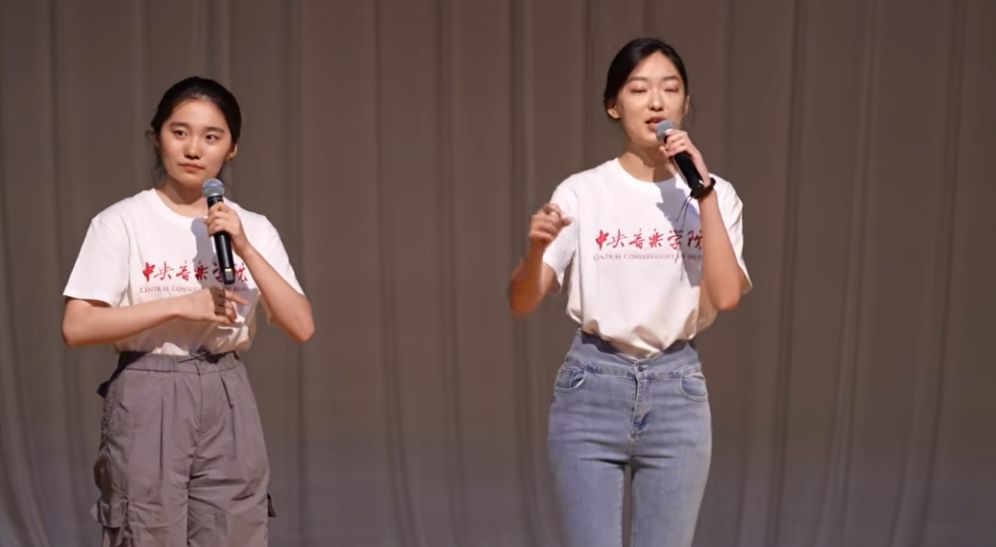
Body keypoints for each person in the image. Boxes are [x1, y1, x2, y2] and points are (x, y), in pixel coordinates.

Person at [507, 38, 751, 547]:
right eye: (639, 89)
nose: (656, 102)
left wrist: (702, 191)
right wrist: (536, 251)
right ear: (614, 105)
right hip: (592, 387)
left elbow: (727, 295)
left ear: (685, 102)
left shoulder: (717, 193)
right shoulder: (582, 192)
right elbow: (522, 301)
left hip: (677, 390)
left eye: (670, 89)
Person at [62, 76, 314, 546]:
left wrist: (244, 246)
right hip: (150, 385)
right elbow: (77, 326)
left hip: (226, 387)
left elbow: (301, 326)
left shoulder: (251, 227)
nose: (194, 148)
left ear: (231, 149)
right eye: (180, 132)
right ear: (156, 137)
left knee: (236, 528)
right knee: (146, 528)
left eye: (211, 136)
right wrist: (181, 305)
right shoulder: (122, 221)